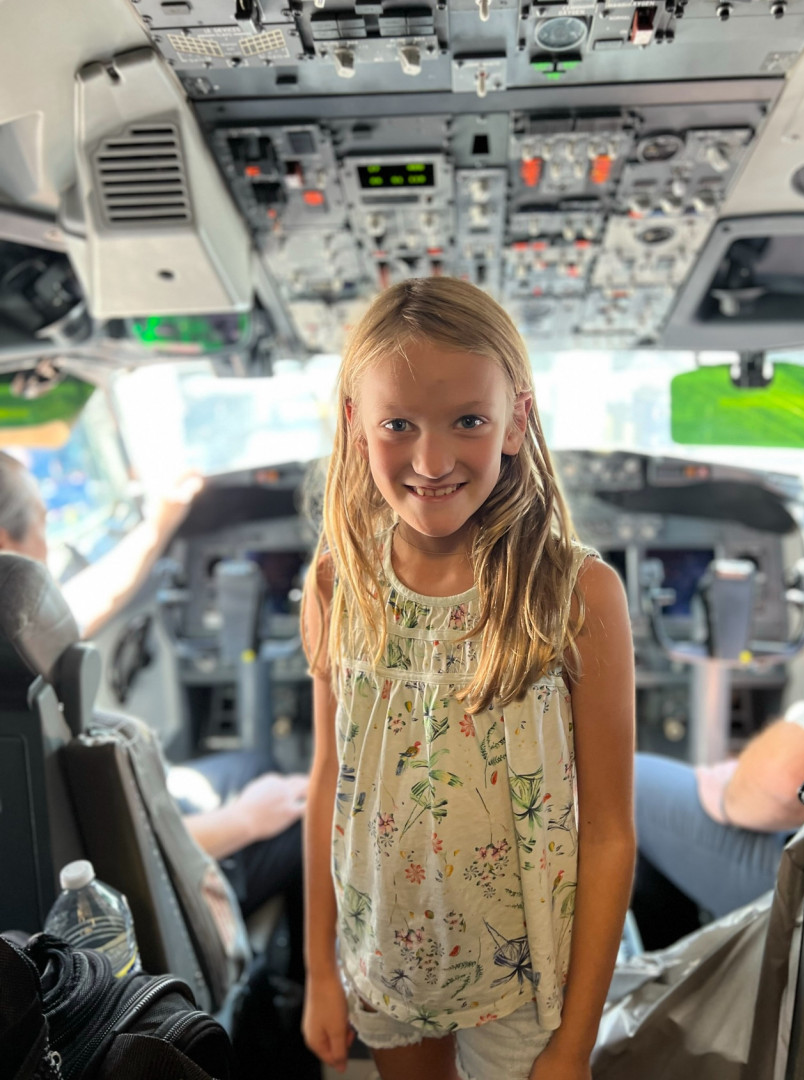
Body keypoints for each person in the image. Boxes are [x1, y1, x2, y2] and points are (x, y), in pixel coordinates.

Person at [300, 278, 636, 1080]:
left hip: (529, 981)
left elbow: (608, 832)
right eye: (397, 425)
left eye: (468, 422)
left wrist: (573, 1044)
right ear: (354, 424)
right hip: (387, 954)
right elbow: (329, 783)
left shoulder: (578, 594)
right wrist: (319, 972)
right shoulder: (335, 583)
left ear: (516, 421)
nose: (431, 461)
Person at [0, 449, 307, 936]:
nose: (49, 540)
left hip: (126, 833)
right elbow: (117, 859)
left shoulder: (15, 648)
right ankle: (281, 975)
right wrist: (247, 818)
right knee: (302, 815)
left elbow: (68, 602)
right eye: (43, 521)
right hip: (137, 897)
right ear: (5, 545)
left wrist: (160, 522)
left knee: (253, 764)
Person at [632, 699, 804, 949]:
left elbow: (779, 785)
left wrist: (729, 784)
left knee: (626, 784)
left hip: (801, 885)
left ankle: (676, 966)